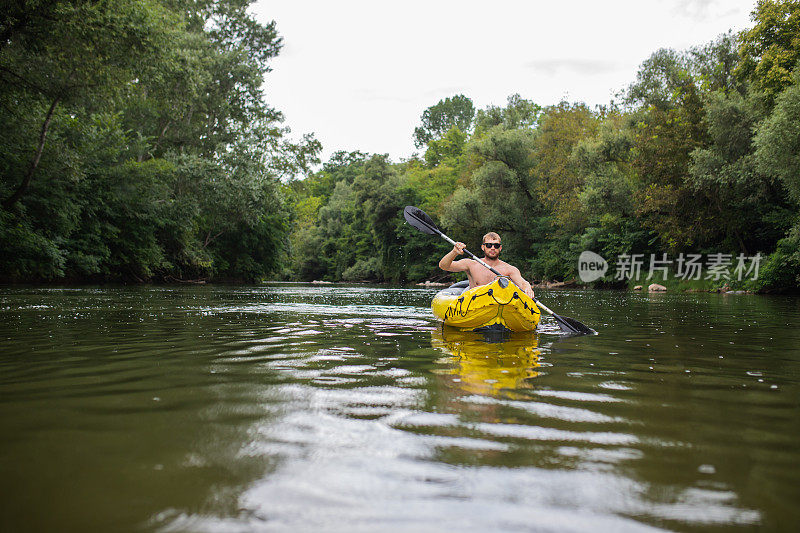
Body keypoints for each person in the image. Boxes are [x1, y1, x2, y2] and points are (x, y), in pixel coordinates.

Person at [438, 232, 535, 299]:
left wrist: (527, 288)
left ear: (500, 248)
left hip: (497, 303)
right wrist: (454, 252)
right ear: (483, 247)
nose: (492, 248)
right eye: (489, 245)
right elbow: (444, 266)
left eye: (496, 245)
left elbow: (522, 283)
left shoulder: (509, 269)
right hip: (474, 304)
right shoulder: (471, 264)